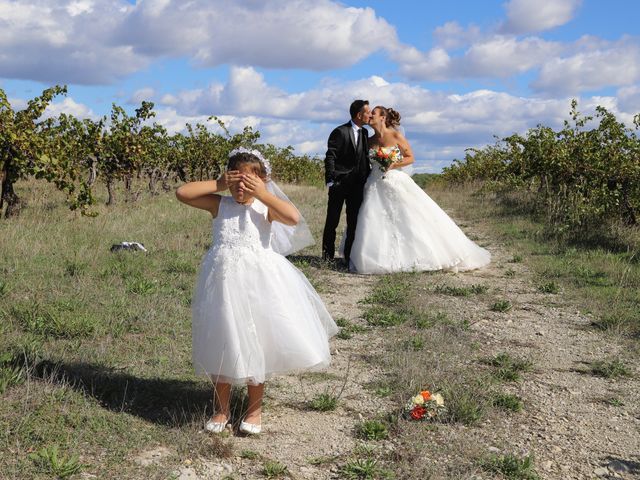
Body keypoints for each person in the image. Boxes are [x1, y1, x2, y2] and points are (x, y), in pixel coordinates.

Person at [175, 149, 338, 435]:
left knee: (256, 340)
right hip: (223, 285)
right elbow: (182, 193)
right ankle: (221, 409)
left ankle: (254, 410)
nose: (241, 188)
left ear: (262, 181)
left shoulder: (266, 207)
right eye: (236, 181)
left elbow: (293, 217)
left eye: (248, 182)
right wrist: (218, 184)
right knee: (222, 340)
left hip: (258, 285)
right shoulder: (219, 204)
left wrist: (262, 193)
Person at [348, 106, 491, 274]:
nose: (370, 115)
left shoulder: (395, 135)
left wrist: (393, 163)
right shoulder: (369, 140)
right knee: (372, 218)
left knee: (408, 217)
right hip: (374, 183)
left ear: (382, 118)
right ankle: (377, 257)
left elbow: (410, 157)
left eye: (374, 113)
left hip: (394, 179)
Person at [322, 99, 372, 267]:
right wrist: (330, 180)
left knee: (354, 222)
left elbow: (364, 158)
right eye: (368, 112)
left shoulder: (365, 134)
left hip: (357, 186)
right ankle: (327, 257)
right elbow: (331, 156)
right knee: (332, 221)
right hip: (339, 184)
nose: (370, 115)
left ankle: (348, 257)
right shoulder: (340, 131)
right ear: (359, 115)